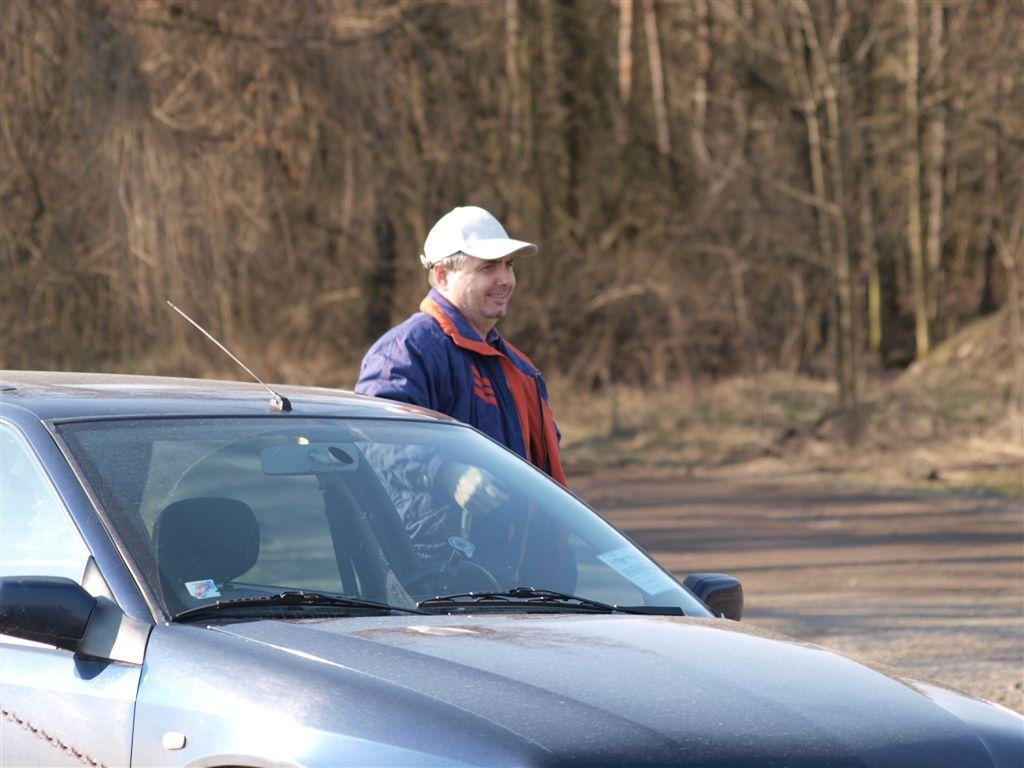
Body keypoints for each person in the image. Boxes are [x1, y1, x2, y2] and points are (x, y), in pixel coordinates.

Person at [355, 206, 573, 589]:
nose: (505, 279)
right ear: (442, 275)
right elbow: (374, 436)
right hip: (438, 583)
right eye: (488, 267)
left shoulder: (519, 368)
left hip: (524, 586)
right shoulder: (407, 351)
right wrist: (446, 471)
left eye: (509, 265)